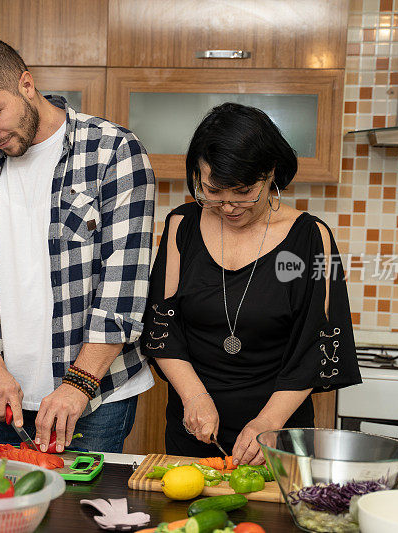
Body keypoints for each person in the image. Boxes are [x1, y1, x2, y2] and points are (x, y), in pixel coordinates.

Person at [0, 37, 156, 453]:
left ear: (25, 84)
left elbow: (123, 289)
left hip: (93, 395)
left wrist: (77, 385)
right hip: (0, 392)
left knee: (71, 516)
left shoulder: (113, 151)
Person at [141, 102, 361, 464]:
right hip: (195, 427)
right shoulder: (181, 224)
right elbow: (162, 325)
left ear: (270, 173)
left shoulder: (315, 237)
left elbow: (317, 343)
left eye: (243, 192)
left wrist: (270, 421)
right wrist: (194, 396)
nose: (227, 207)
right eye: (212, 191)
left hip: (279, 432)